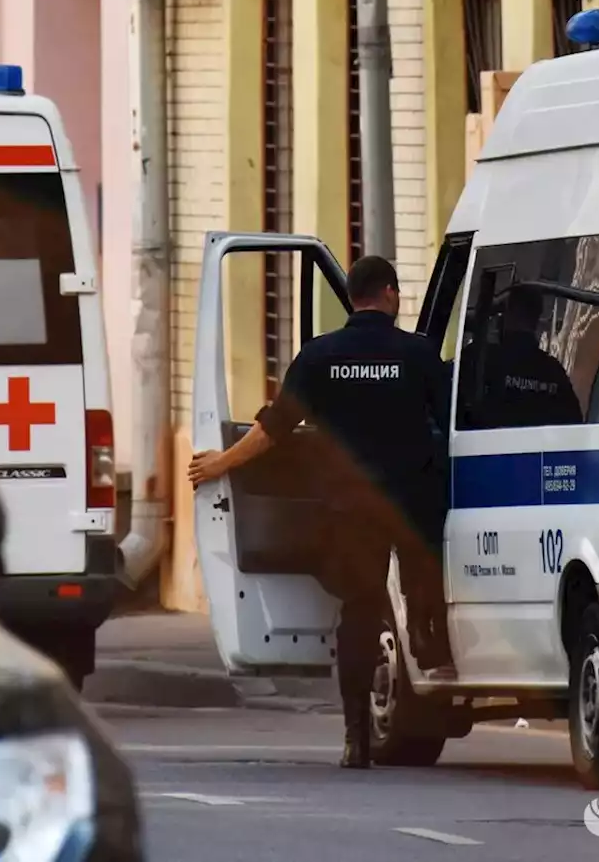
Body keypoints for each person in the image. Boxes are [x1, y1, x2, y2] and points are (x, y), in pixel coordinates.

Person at [187, 255, 451, 769]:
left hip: (349, 507)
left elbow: (271, 430)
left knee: (358, 612)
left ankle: (357, 736)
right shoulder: (419, 355)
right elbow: (452, 427)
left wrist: (221, 463)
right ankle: (425, 632)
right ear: (391, 295)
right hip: (409, 502)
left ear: (352, 298)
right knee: (425, 566)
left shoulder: (319, 356)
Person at [461, 286, 581, 429]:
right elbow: (575, 424)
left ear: (507, 315)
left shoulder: (480, 357)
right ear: (536, 321)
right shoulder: (555, 372)